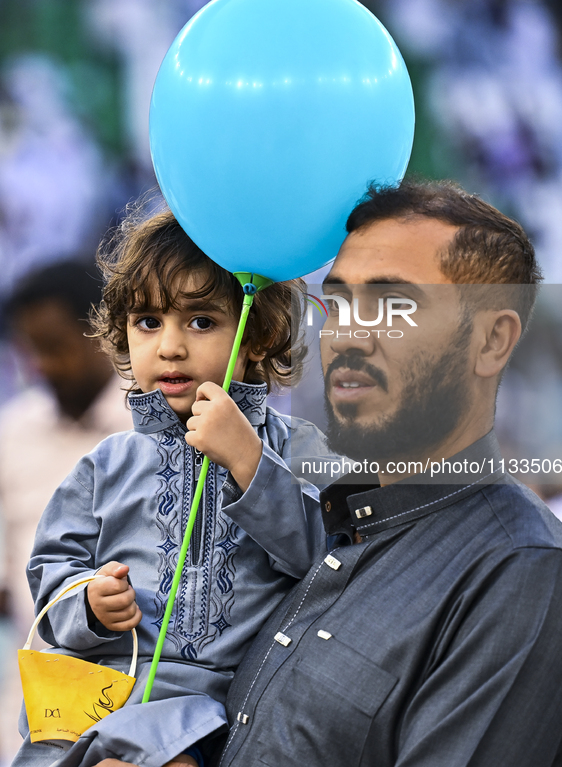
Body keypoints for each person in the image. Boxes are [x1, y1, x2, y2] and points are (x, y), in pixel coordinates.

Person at [92, 179, 562, 767]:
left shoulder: (519, 572)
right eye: (339, 304)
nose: (349, 335)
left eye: (392, 306)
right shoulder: (318, 519)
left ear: (492, 340)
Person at [12, 207, 329, 767]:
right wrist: (87, 602)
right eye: (148, 322)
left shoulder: (296, 450)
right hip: (101, 693)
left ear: (258, 334)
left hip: (213, 710)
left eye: (201, 321)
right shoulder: (107, 463)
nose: (170, 346)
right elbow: (48, 574)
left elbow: (325, 561)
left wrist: (248, 460)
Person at [0, 261, 133, 764]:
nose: (42, 366)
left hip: (136, 703)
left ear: (101, 332)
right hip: (33, 707)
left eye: (55, 347)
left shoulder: (156, 432)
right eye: (30, 350)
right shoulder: (13, 434)